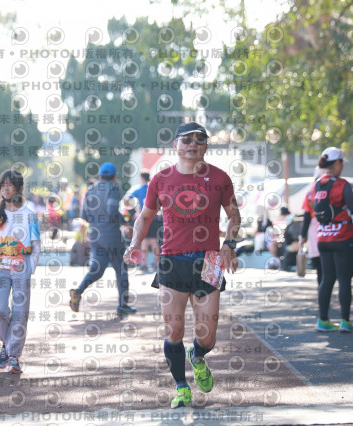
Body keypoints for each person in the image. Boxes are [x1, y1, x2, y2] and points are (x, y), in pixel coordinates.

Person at [123, 122, 241, 409]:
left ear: (206, 146)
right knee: (173, 330)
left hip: (210, 260)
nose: (193, 144)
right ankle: (181, 387)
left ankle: (197, 356)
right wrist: (135, 242)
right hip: (171, 260)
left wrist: (229, 244)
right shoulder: (161, 179)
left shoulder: (220, 178)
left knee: (207, 336)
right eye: (186, 140)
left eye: (199, 139)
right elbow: (145, 216)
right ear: (175, 145)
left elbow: (234, 216)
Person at [0, 170, 40, 374]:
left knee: (20, 312)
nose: (5, 189)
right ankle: (5, 344)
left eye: (10, 185)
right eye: (3, 185)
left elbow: (36, 243)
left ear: (20, 188)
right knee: (0, 310)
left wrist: (30, 268)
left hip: (21, 267)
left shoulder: (29, 214)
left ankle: (13, 355)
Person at [303, 147, 353, 332]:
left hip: (323, 238)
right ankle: (345, 321)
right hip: (343, 237)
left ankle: (323, 320)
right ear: (337, 163)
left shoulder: (316, 185)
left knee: (327, 279)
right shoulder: (342, 184)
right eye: (342, 162)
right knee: (344, 279)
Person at [69, 162, 136, 315]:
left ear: (99, 175)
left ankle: (78, 291)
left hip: (95, 236)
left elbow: (84, 216)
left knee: (97, 270)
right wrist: (124, 222)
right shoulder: (113, 188)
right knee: (121, 270)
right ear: (114, 176)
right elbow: (112, 209)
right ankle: (122, 305)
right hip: (112, 236)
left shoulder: (90, 190)